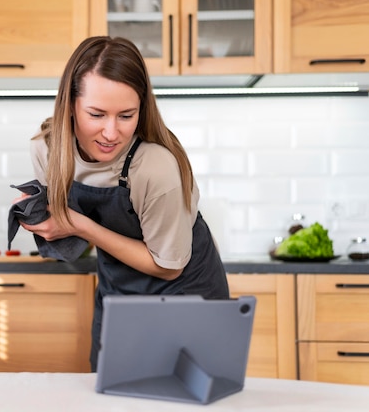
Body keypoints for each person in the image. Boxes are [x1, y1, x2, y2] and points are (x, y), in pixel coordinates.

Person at [16, 36, 229, 372]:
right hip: (117, 295)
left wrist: (76, 224)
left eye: (126, 115)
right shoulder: (48, 149)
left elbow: (169, 264)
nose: (111, 133)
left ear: (142, 109)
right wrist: (44, 219)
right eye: (96, 114)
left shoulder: (155, 166)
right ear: (70, 104)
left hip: (186, 294)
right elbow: (78, 241)